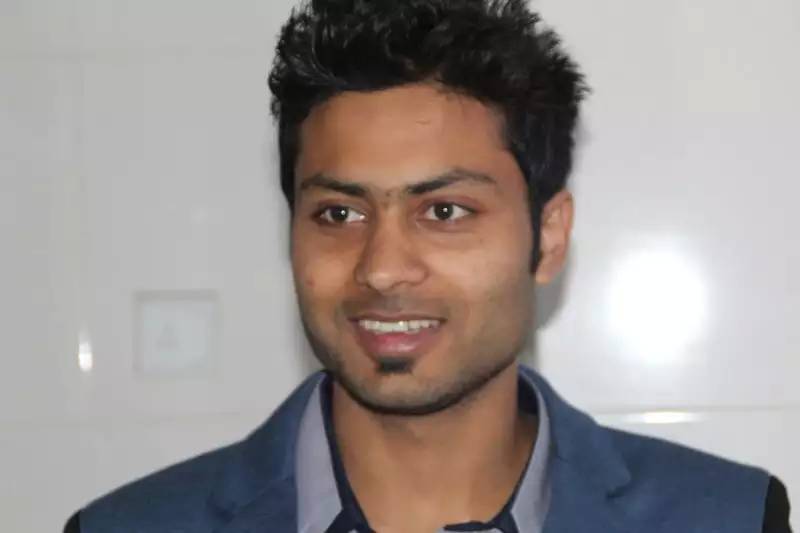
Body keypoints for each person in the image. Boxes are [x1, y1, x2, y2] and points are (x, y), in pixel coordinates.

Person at [65, 0, 792, 532]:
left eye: (444, 211)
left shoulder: (725, 518)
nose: (382, 269)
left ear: (548, 236)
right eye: (338, 214)